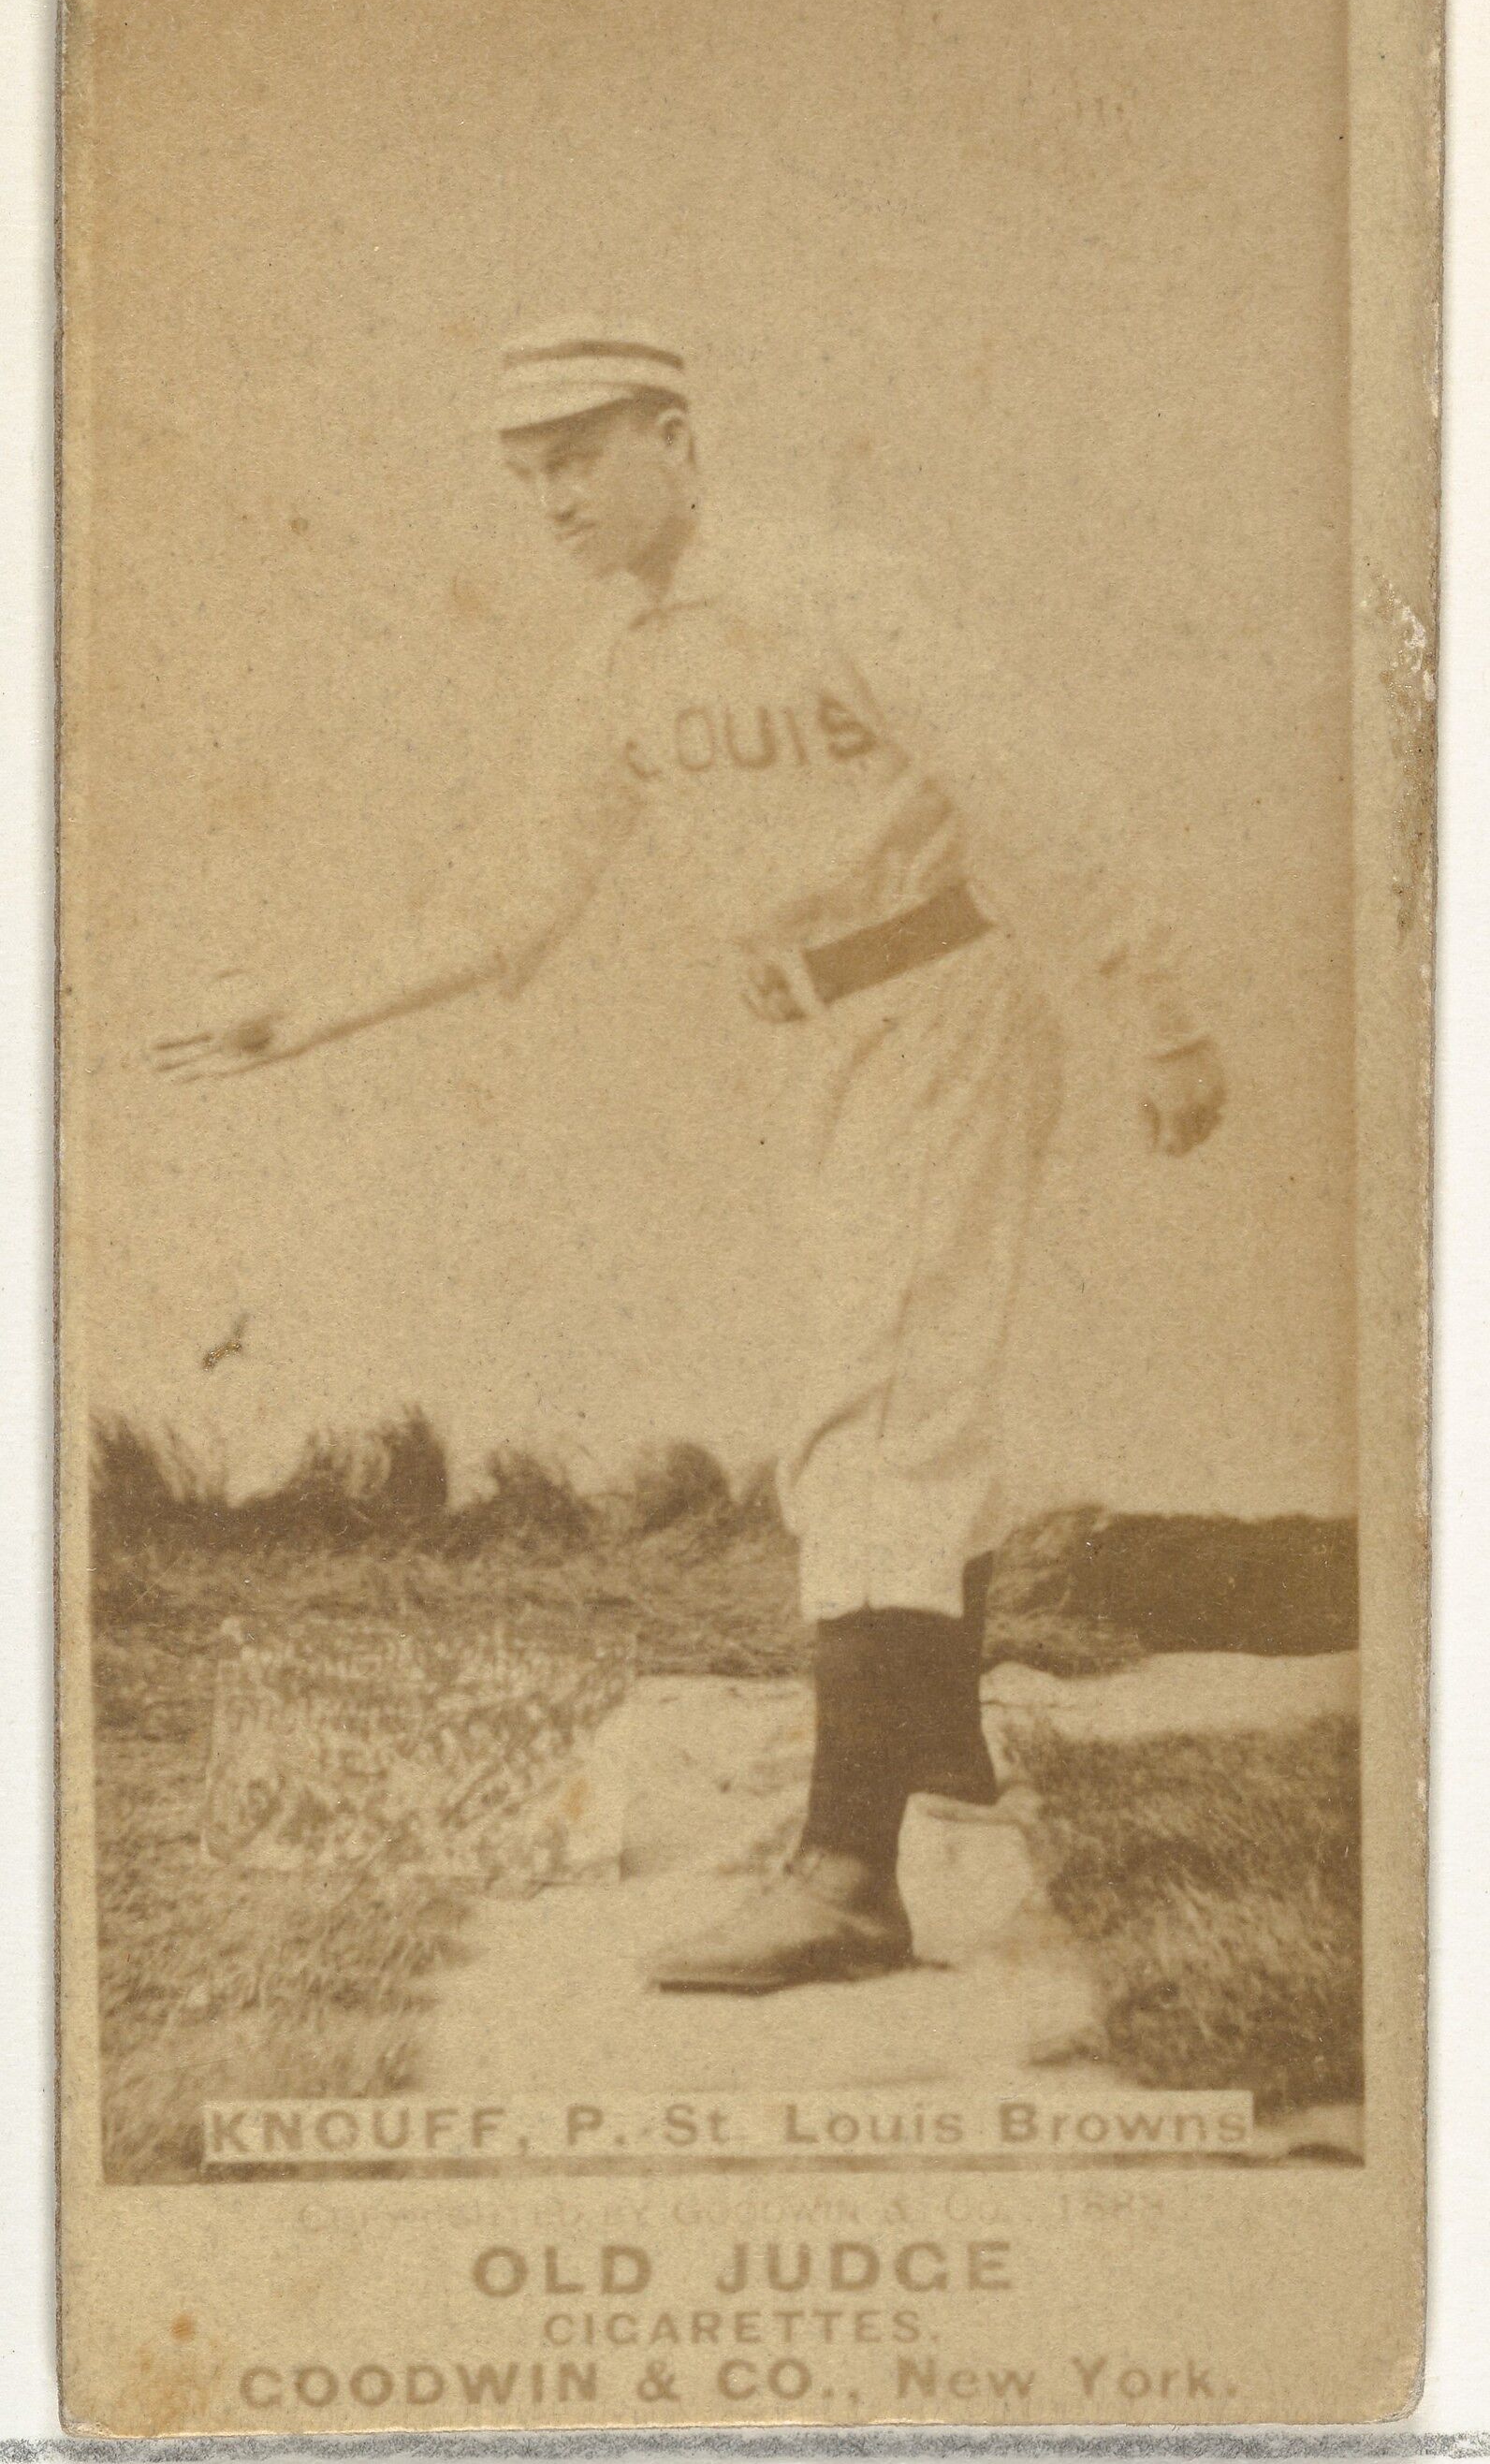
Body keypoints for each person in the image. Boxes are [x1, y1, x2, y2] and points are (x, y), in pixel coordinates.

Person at [153, 319, 1225, 1995]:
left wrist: (1156, 1013)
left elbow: (1038, 789)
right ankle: (936, 1763)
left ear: (673, 433)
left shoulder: (834, 586)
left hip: (936, 997)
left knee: (871, 1419)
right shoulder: (629, 653)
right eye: (529, 474)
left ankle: (846, 1879)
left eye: (580, 456)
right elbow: (516, 893)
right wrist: (299, 1010)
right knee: (882, 1393)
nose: (554, 499)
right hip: (810, 1040)